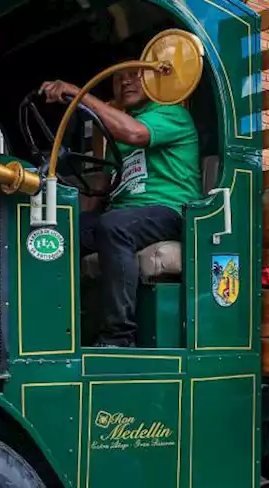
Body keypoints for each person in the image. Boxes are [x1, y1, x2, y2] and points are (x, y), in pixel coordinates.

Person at [40, 69, 200, 347]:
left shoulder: (171, 114)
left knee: (114, 226)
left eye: (135, 75)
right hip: (125, 214)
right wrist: (79, 221)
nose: (125, 81)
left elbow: (135, 134)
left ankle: (119, 337)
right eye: (118, 77)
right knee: (58, 233)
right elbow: (104, 185)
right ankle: (55, 327)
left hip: (169, 211)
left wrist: (81, 95)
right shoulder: (119, 129)